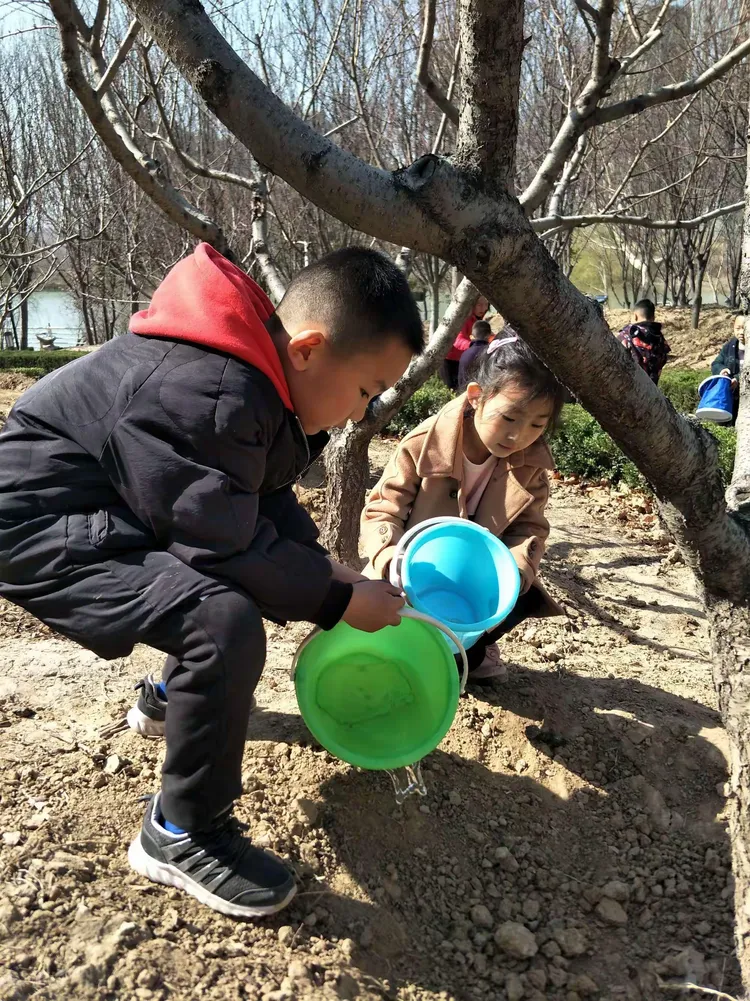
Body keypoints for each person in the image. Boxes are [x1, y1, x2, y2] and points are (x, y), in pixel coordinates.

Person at [0, 242, 423, 918]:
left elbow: (255, 497)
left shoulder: (249, 373)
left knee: (212, 581)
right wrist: (339, 597)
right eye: (366, 390)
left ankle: (170, 699)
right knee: (221, 618)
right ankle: (179, 828)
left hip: (102, 501)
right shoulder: (218, 390)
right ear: (309, 349)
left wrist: (330, 570)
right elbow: (227, 545)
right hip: (39, 521)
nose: (358, 412)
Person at [361, 335, 565, 681]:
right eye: (510, 418)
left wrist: (513, 574)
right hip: (416, 571)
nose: (518, 436)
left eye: (536, 424)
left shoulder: (531, 465)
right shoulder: (423, 445)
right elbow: (383, 510)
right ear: (476, 397)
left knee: (514, 601)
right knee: (394, 651)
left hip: (473, 578)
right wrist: (390, 559)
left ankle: (473, 641)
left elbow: (529, 529)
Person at [616, 298, 670, 384]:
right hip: (652, 389)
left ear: (635, 316)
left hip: (628, 387)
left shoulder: (627, 334)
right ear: (653, 317)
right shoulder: (660, 338)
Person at [441, 295, 489, 390]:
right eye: (479, 305)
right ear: (472, 304)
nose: (483, 308)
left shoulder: (480, 319)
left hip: (465, 359)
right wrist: (475, 346)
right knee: (453, 390)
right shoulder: (463, 318)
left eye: (486, 304)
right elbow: (458, 340)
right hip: (451, 361)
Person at [711, 312, 746, 424]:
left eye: (744, 328)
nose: (741, 332)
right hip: (730, 398)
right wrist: (723, 371)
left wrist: (738, 379)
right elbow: (716, 363)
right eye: (738, 328)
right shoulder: (729, 346)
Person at [458, 319, 493, 390]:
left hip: (465, 394)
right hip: (484, 396)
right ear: (489, 335)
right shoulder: (491, 353)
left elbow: (461, 380)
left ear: (472, 336)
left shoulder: (465, 354)